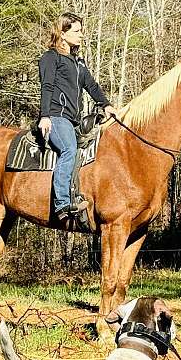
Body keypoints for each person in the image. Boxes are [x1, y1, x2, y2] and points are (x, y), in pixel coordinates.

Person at [38, 12, 115, 221]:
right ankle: (62, 203)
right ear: (63, 34)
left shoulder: (78, 63)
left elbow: (91, 86)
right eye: (77, 31)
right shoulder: (50, 57)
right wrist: (44, 116)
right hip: (56, 117)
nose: (82, 35)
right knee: (69, 148)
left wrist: (106, 105)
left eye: (81, 31)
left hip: (74, 120)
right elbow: (47, 86)